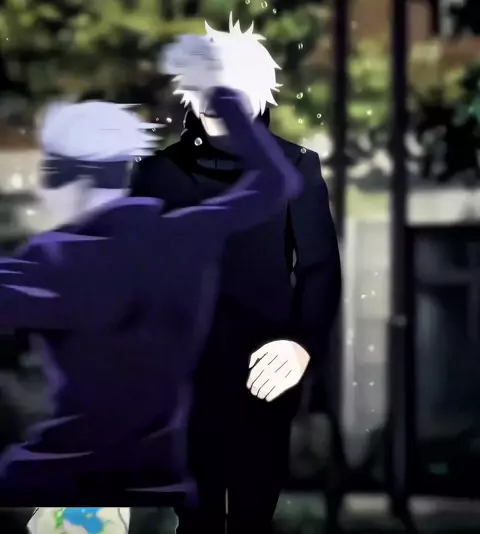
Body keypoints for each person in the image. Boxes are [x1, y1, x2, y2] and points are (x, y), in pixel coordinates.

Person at [0, 62, 303, 505]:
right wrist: (220, 98)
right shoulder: (188, 234)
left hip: (61, 482)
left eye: (46, 175)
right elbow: (276, 181)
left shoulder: (54, 261)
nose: (40, 193)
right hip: (160, 481)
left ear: (72, 180)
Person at [130, 14, 341, 534]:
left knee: (252, 511)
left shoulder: (296, 167)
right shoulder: (156, 173)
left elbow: (319, 268)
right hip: (182, 375)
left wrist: (301, 344)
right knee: (195, 516)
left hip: (264, 371)